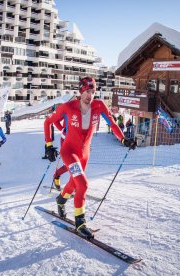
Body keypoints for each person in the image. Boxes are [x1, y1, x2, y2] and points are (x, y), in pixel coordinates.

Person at [43, 77, 136, 239]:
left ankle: (61, 199)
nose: (90, 95)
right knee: (83, 185)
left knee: (73, 184)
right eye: (87, 92)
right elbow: (48, 122)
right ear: (80, 92)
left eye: (93, 92)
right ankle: (80, 223)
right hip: (69, 152)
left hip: (84, 153)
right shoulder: (68, 107)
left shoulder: (99, 105)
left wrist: (123, 139)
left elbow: (113, 123)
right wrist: (49, 145)